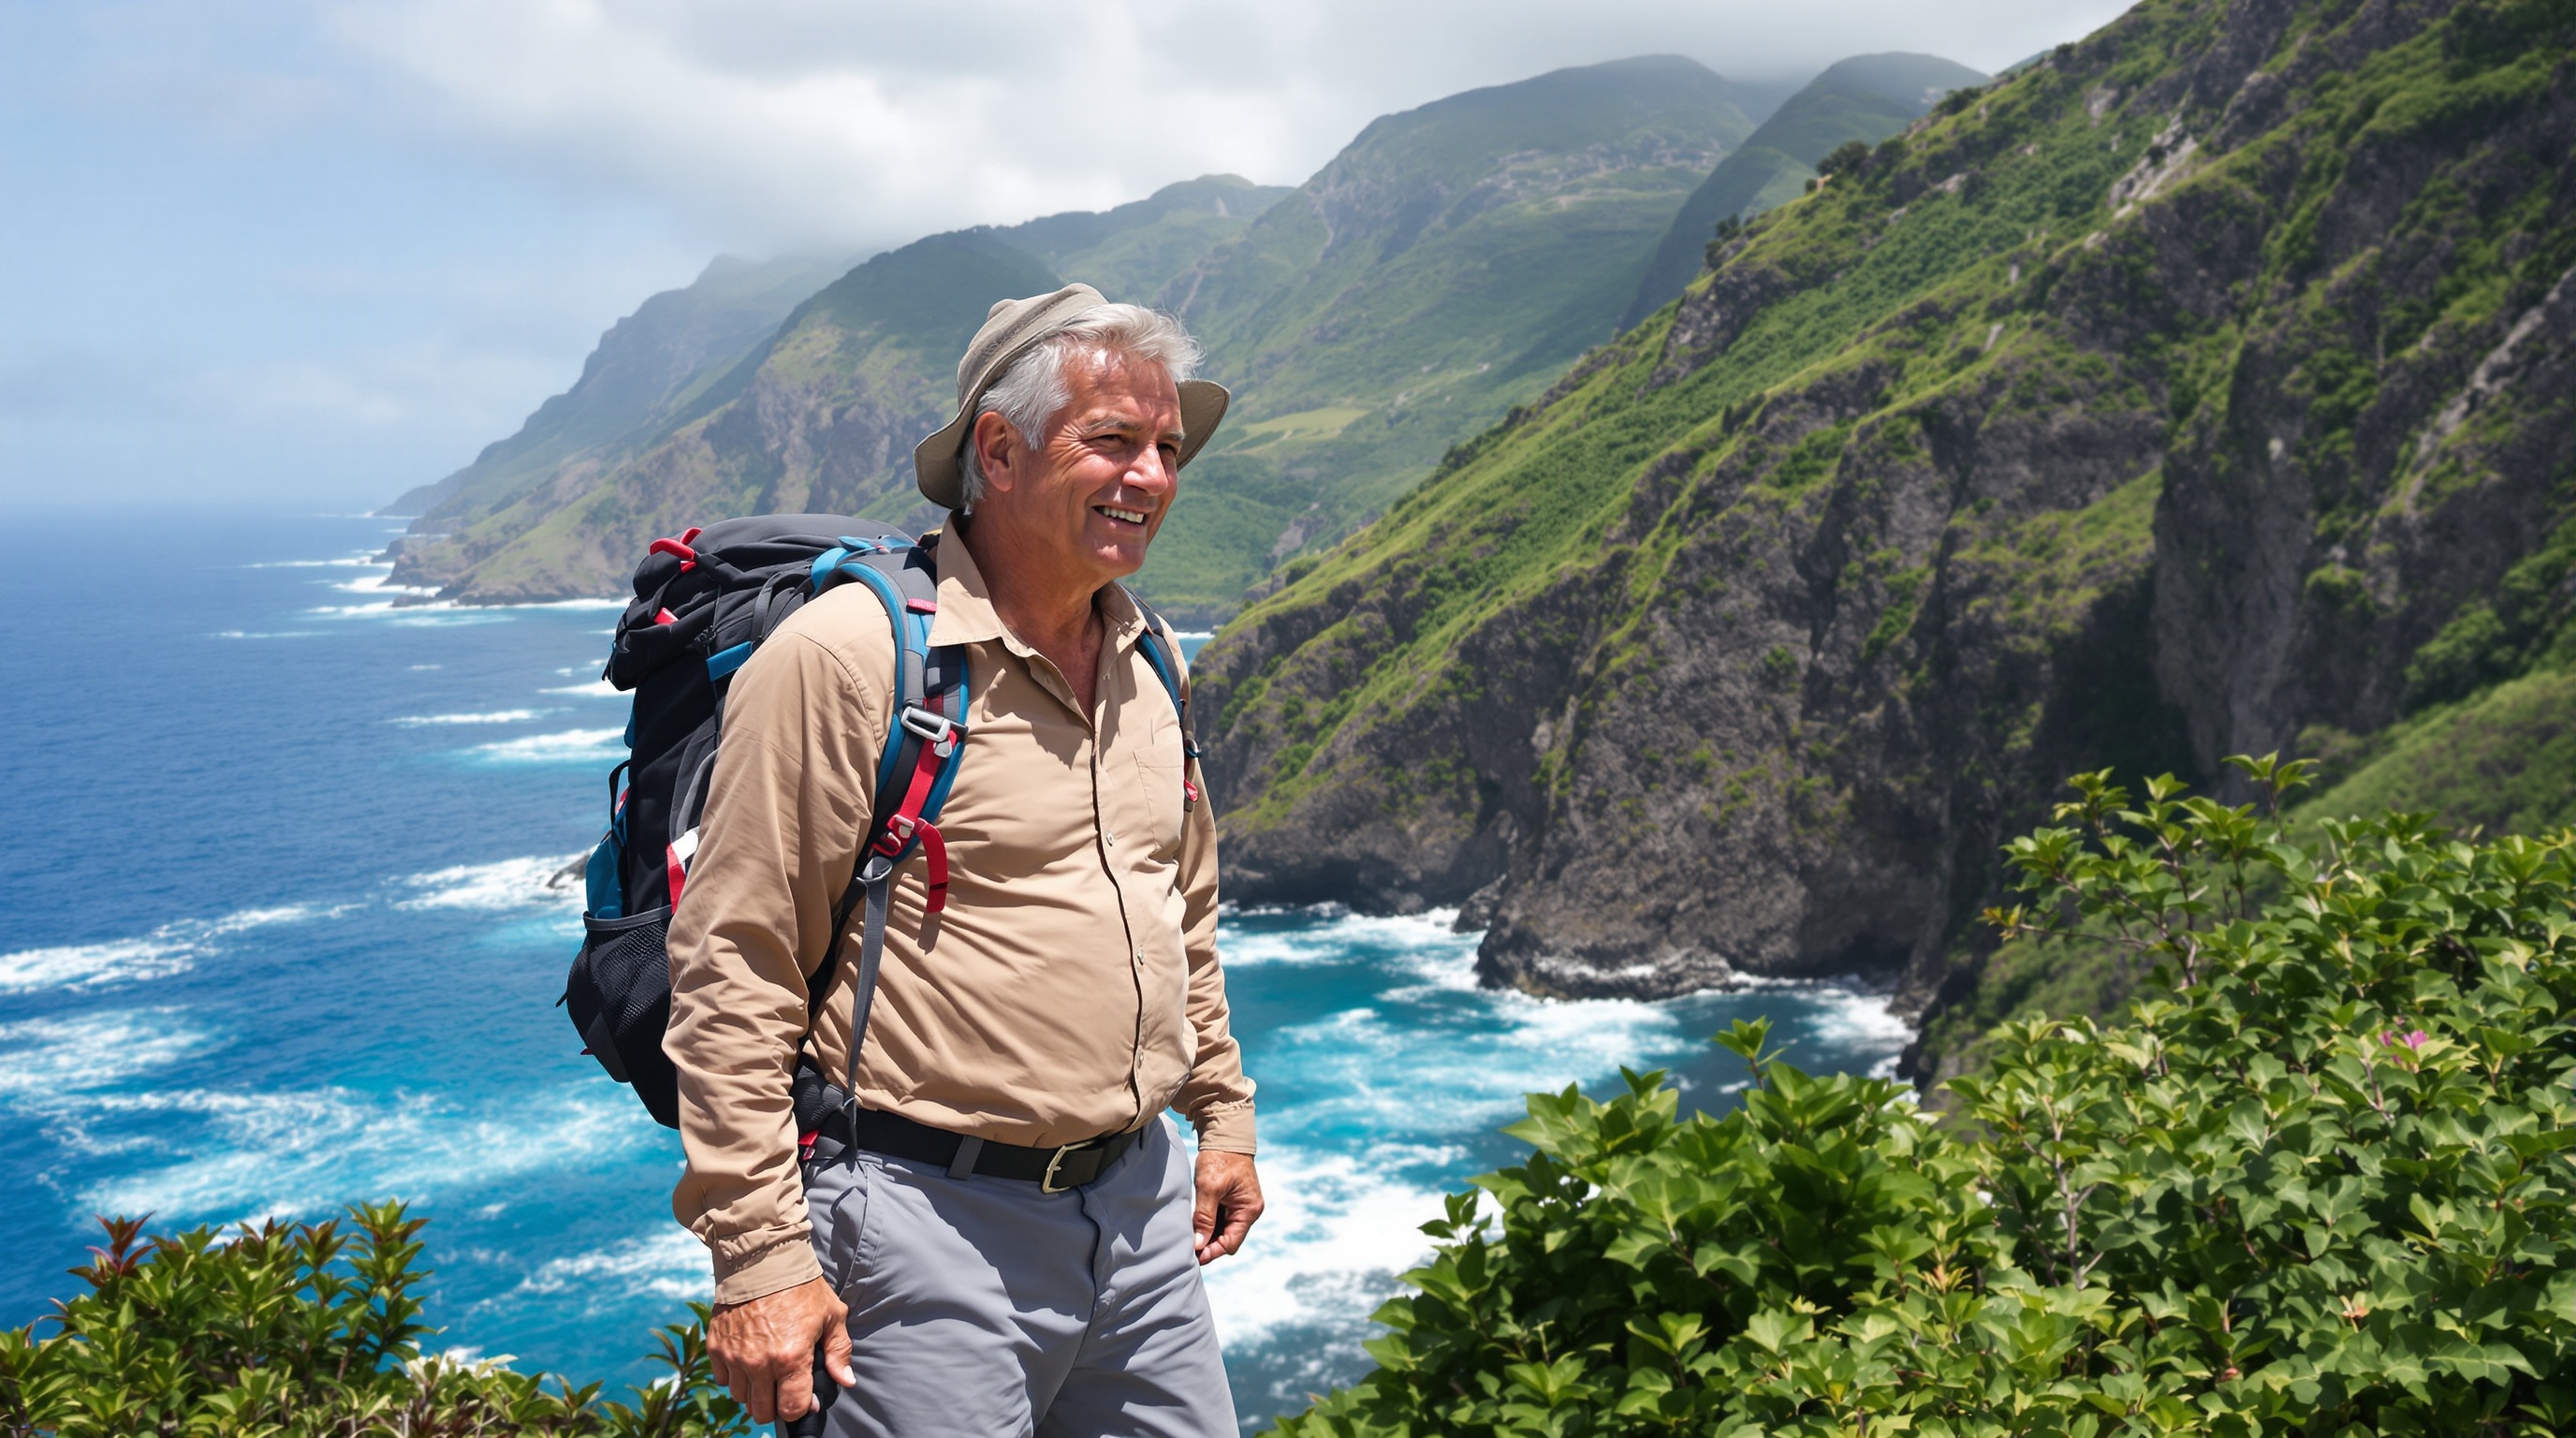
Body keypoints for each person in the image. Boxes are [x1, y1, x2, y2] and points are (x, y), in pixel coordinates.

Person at [663, 284, 1262, 1435]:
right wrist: (757, 1258)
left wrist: (1219, 1113)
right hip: (919, 1228)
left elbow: (1176, 909)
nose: (1150, 478)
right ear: (998, 449)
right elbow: (734, 966)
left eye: (1166, 449)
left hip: (1138, 1210)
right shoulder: (848, 658)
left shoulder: (1152, 658)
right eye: (1111, 442)